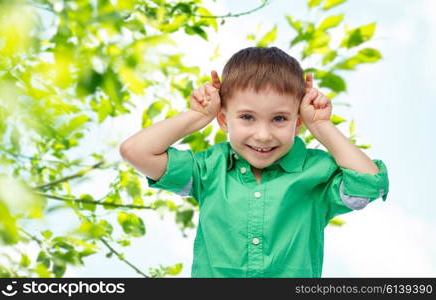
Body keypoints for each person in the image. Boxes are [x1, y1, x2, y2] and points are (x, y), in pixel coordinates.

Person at [119, 46, 389, 278]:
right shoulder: (209, 168)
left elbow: (369, 184)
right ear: (224, 120)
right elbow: (135, 151)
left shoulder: (317, 172)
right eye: (247, 117)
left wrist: (321, 125)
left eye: (280, 119)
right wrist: (197, 116)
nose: (263, 135)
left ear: (298, 122)